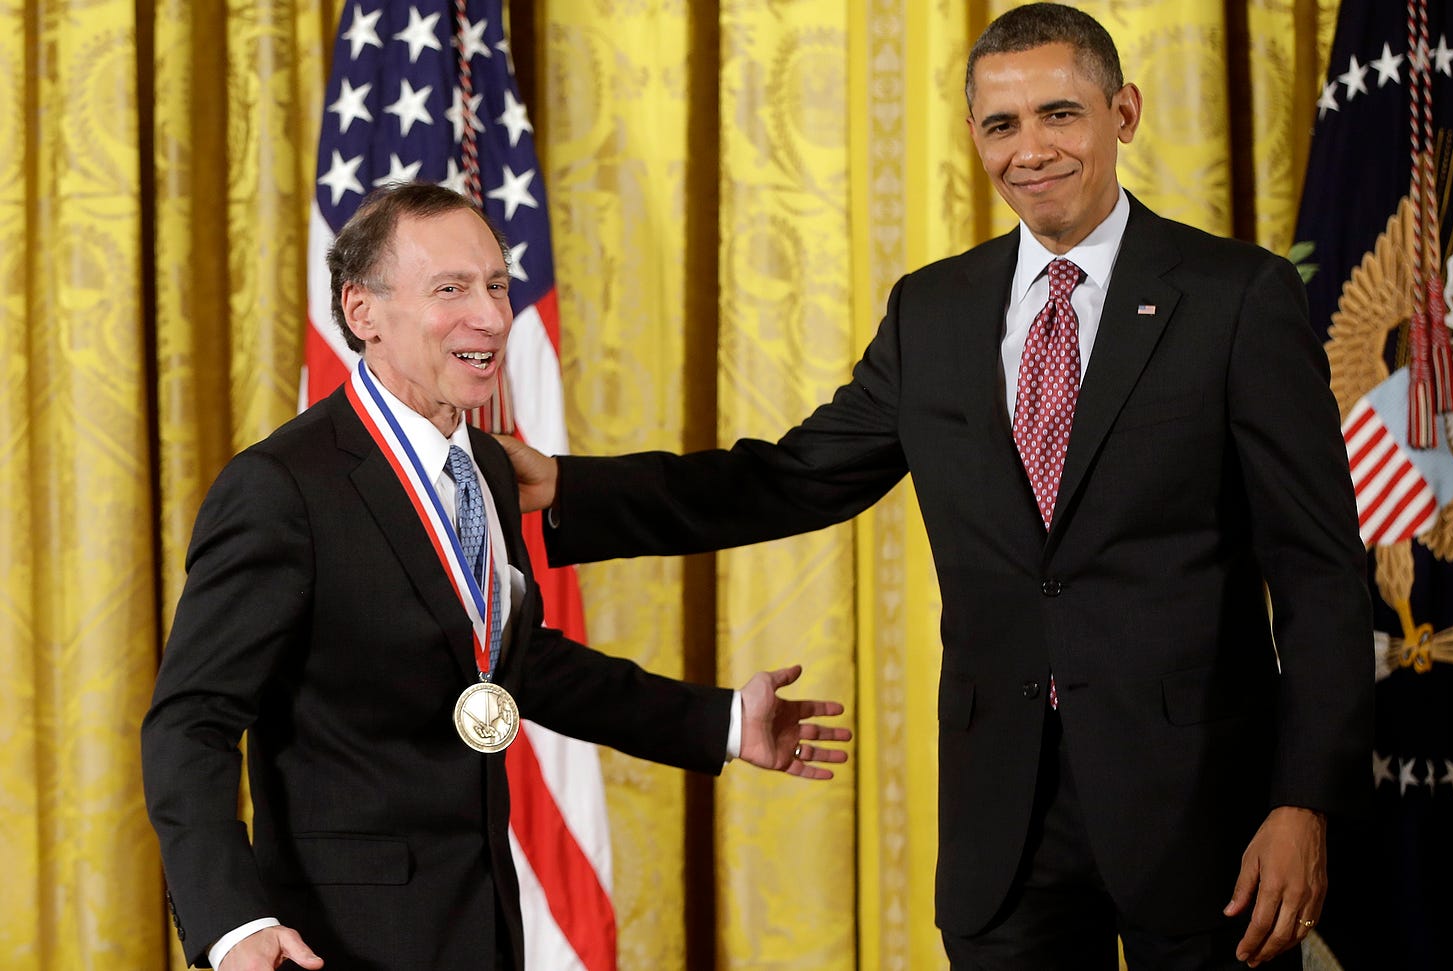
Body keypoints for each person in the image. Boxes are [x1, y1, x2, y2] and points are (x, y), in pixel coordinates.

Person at [497, 4, 1372, 969]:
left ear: (1121, 112)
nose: (1029, 150)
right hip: (1004, 828)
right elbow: (789, 478)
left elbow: (1320, 570)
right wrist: (569, 487)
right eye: (1001, 125)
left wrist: (1305, 800)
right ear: (974, 137)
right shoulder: (935, 312)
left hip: (1207, 820)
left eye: (1059, 114)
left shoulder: (1238, 296)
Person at [140, 181, 851, 971]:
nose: (490, 316)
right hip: (329, 944)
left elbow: (515, 662)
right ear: (362, 311)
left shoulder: (486, 464)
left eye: (497, 285)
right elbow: (189, 720)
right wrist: (234, 924)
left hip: (481, 927)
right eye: (452, 289)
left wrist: (720, 722)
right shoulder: (282, 488)